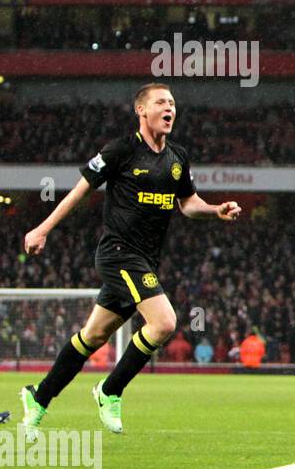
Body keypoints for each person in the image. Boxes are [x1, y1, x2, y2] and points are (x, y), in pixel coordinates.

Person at [19, 83, 241, 438]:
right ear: (142, 111)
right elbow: (80, 191)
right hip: (118, 253)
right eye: (160, 103)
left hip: (144, 260)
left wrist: (216, 210)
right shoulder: (120, 150)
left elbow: (188, 204)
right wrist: (42, 229)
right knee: (165, 322)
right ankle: (110, 390)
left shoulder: (178, 157)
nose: (169, 108)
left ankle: (39, 397)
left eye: (172, 103)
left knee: (93, 336)